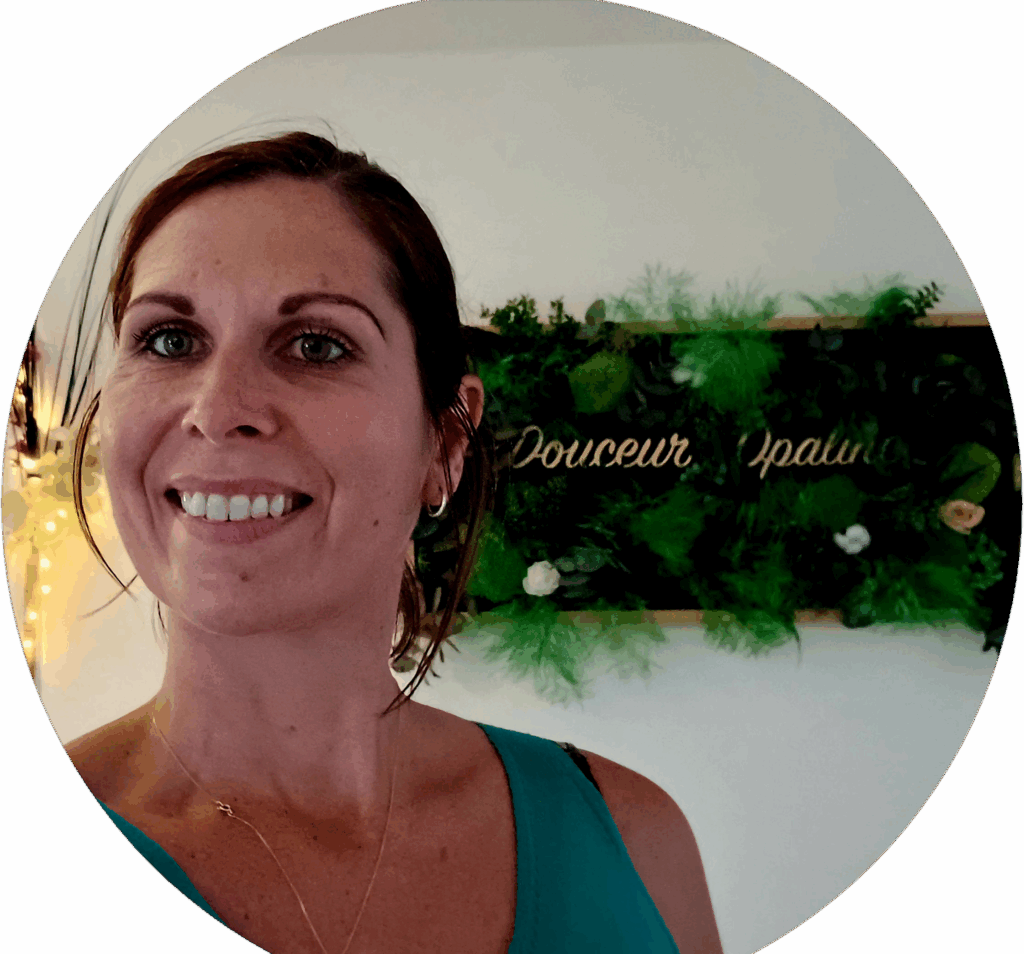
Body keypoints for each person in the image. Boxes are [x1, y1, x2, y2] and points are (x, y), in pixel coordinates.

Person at [63, 132, 723, 954]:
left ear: (445, 443)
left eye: (316, 345)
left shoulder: (635, 840)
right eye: (168, 339)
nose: (218, 407)